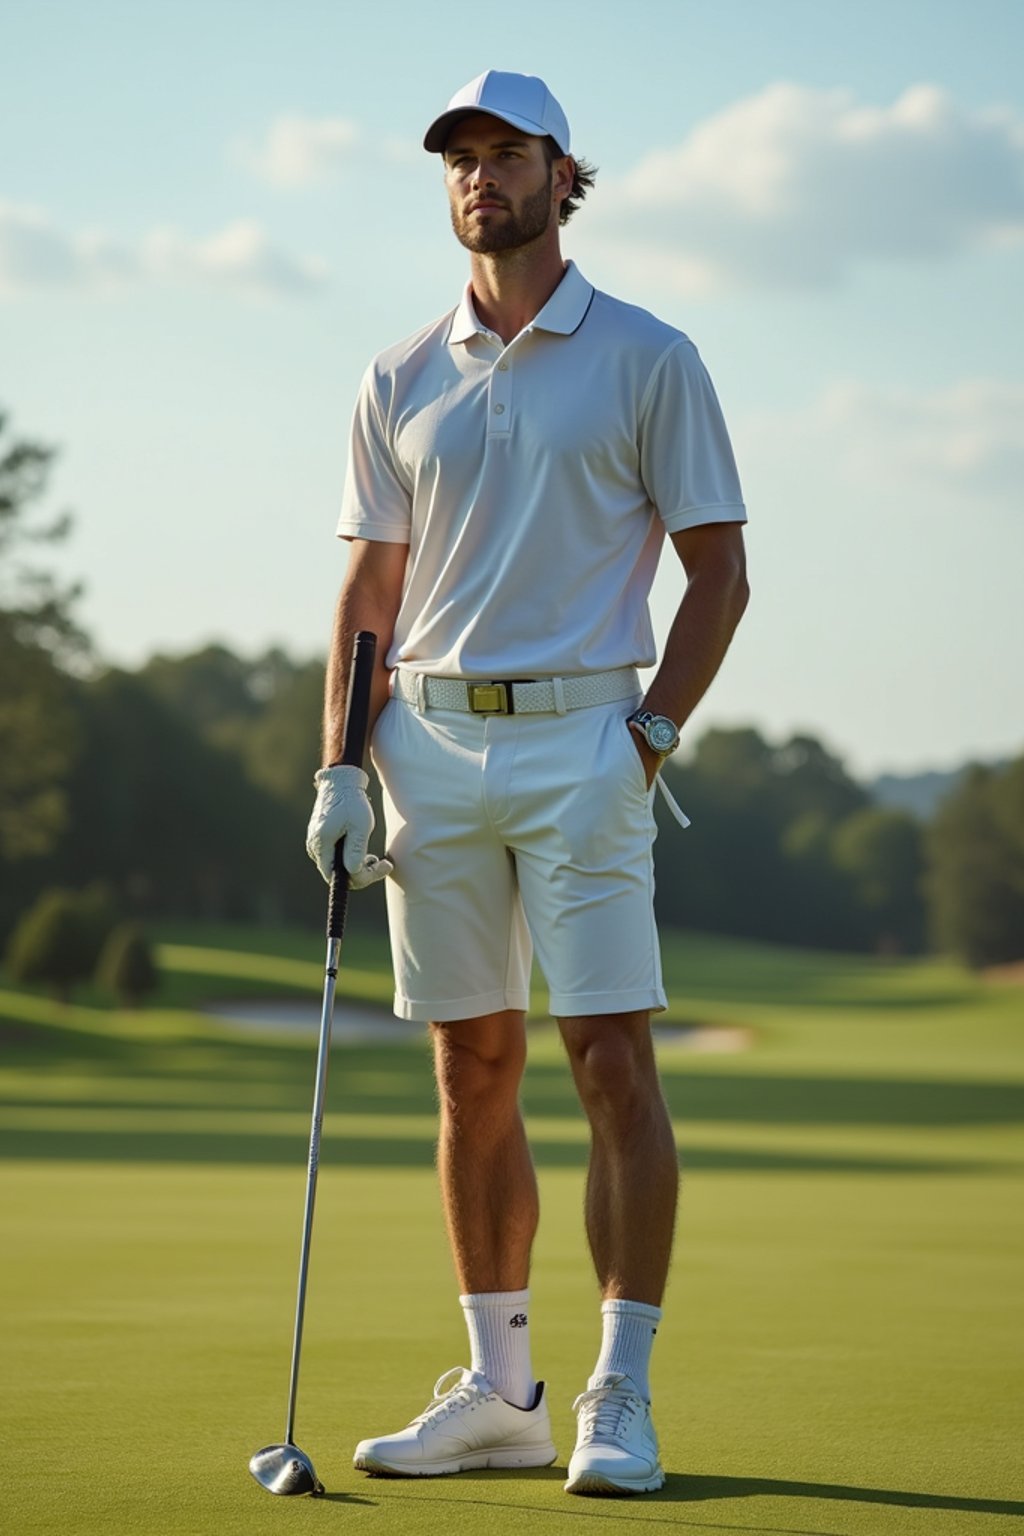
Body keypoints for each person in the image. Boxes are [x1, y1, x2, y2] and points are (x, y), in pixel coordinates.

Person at [306, 68, 749, 1497]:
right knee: (466, 1067)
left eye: (509, 155)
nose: (481, 178)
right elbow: (372, 586)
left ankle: (617, 1395)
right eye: (461, 160)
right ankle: (503, 1394)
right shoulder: (398, 373)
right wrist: (338, 766)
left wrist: (655, 731)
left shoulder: (648, 355)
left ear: (569, 178)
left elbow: (719, 574)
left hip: (587, 742)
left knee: (610, 1060)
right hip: (424, 747)